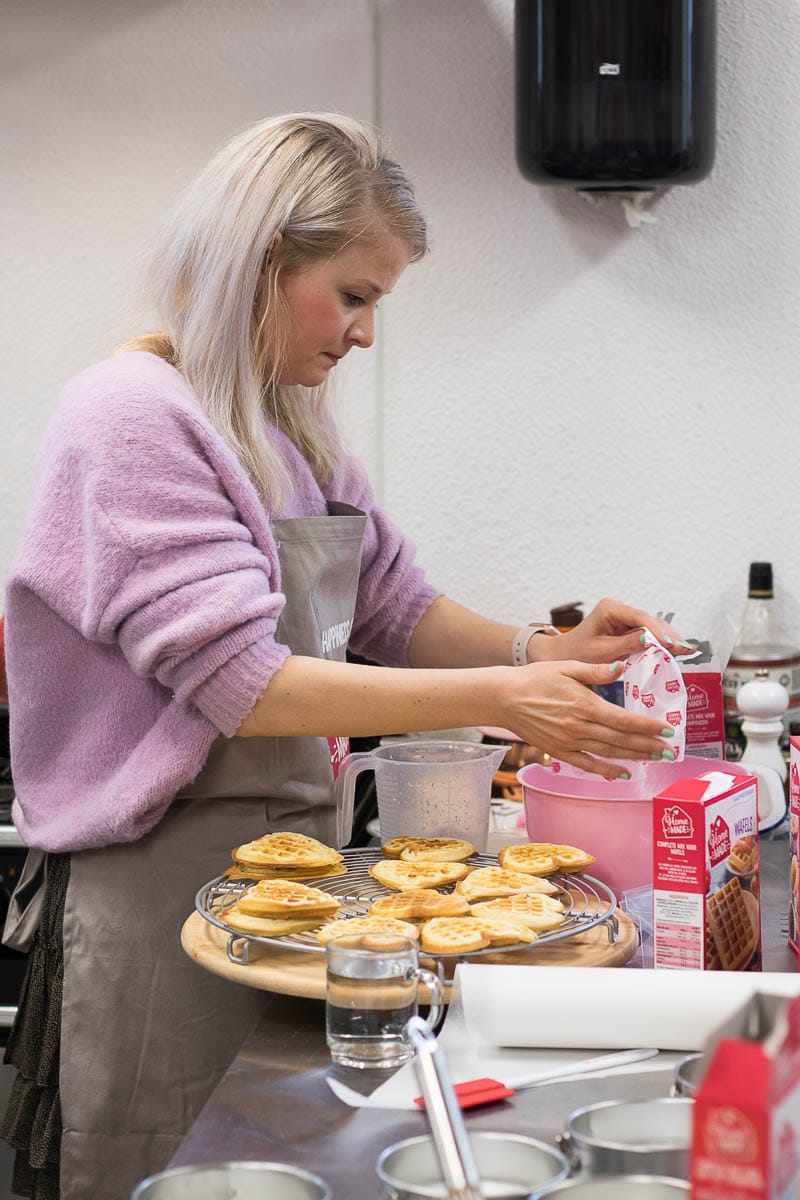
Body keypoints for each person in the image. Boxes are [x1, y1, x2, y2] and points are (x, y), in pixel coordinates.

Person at [1, 112, 689, 1200]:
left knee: (284, 1162)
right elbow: (240, 684)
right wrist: (508, 697)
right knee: (175, 1170)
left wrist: (544, 647)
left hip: (299, 870)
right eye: (353, 294)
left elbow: (392, 604)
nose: (363, 334)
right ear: (263, 260)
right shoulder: (129, 417)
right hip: (157, 888)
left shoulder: (285, 423)